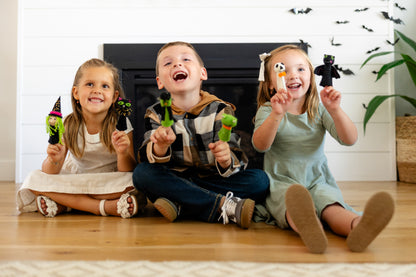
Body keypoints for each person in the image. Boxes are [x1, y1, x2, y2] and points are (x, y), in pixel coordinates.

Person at [252, 45, 395, 253]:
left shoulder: (319, 109)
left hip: (318, 179)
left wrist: (335, 111)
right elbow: (260, 145)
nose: (293, 75)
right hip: (282, 181)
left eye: (301, 69)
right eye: (283, 69)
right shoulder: (269, 110)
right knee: (293, 206)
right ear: (271, 85)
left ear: (311, 76)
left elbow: (349, 139)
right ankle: (312, 229)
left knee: (331, 207)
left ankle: (358, 226)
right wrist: (276, 115)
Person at [133, 41, 269, 229]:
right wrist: (160, 146)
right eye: (168, 63)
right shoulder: (155, 113)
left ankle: (182, 203)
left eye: (186, 59)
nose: (177, 64)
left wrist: (225, 159)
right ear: (160, 82)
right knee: (142, 174)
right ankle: (222, 205)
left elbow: (236, 158)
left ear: (202, 74)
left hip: (212, 179)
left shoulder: (221, 110)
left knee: (259, 181)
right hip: (175, 178)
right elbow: (147, 157)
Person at [17, 58, 146, 218]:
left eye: (105, 86)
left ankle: (66, 204)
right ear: (76, 93)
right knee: (34, 178)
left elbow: (127, 170)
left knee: (134, 182)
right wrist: (53, 159)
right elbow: (51, 171)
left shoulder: (121, 124)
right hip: (78, 178)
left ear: (114, 97)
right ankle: (103, 207)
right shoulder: (67, 124)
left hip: (110, 181)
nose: (97, 90)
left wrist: (123, 152)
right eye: (90, 84)